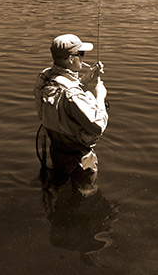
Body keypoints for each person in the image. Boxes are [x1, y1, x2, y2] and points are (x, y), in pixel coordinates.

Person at [34, 34, 109, 198]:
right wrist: (99, 95)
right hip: (79, 160)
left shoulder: (45, 78)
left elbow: (65, 96)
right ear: (69, 59)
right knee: (86, 197)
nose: (83, 58)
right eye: (80, 54)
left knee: (63, 192)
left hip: (57, 151)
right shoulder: (72, 95)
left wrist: (89, 76)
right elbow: (98, 127)